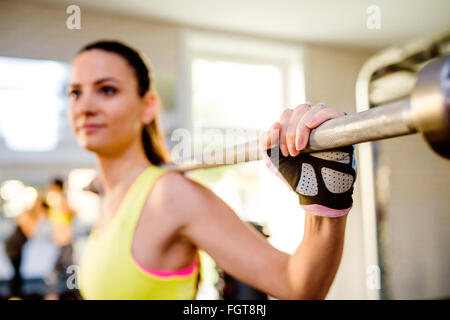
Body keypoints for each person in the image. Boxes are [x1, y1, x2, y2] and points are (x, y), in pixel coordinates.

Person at [69, 40, 357, 299]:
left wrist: (325, 198)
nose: (84, 106)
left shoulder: (168, 195)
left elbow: (298, 287)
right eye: (75, 92)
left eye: (106, 90)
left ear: (148, 106)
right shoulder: (109, 197)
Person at [5, 196, 48, 299]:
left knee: (17, 272)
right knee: (16, 273)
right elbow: (28, 230)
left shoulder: (32, 217)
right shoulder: (28, 216)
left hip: (17, 247)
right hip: (13, 247)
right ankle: (15, 294)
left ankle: (16, 293)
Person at [44, 178, 77, 300]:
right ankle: (54, 294)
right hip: (58, 242)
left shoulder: (62, 201)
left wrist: (64, 206)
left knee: (69, 271)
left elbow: (73, 212)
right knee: (58, 271)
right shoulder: (53, 202)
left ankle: (75, 294)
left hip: (65, 241)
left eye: (52, 186)